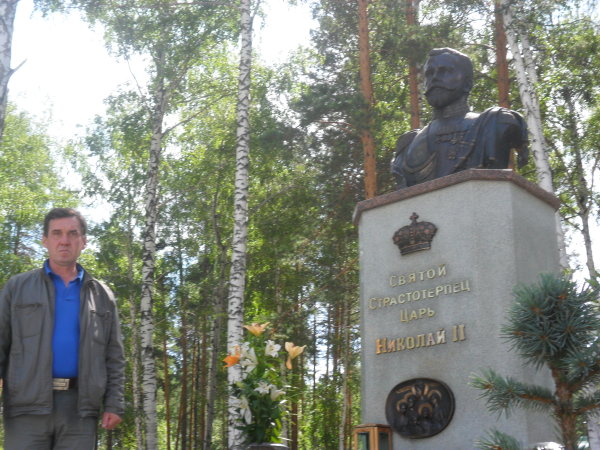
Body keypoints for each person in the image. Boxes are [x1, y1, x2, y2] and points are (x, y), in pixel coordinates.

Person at [0, 207, 125, 449]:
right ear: (45, 240)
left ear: (83, 241)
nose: (64, 240)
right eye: (57, 233)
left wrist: (114, 404)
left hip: (80, 410)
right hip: (26, 406)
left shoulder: (102, 295)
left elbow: (114, 355)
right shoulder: (17, 287)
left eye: (72, 233)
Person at [391, 47, 529, 188]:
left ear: (467, 83)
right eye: (429, 73)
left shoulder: (494, 123)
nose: (435, 77)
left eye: (445, 71)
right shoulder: (407, 144)